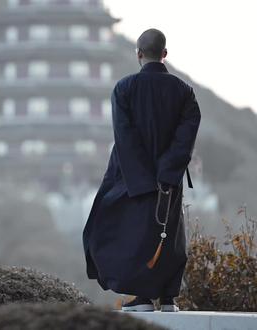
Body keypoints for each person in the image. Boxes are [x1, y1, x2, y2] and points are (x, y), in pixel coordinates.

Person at [82, 28, 201, 312]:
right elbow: (186, 135)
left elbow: (125, 135)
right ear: (165, 54)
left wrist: (142, 179)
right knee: (168, 233)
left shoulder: (124, 88)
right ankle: (169, 297)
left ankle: (144, 297)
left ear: (138, 54)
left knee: (122, 231)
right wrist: (167, 172)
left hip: (130, 177)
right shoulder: (184, 92)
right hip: (168, 179)